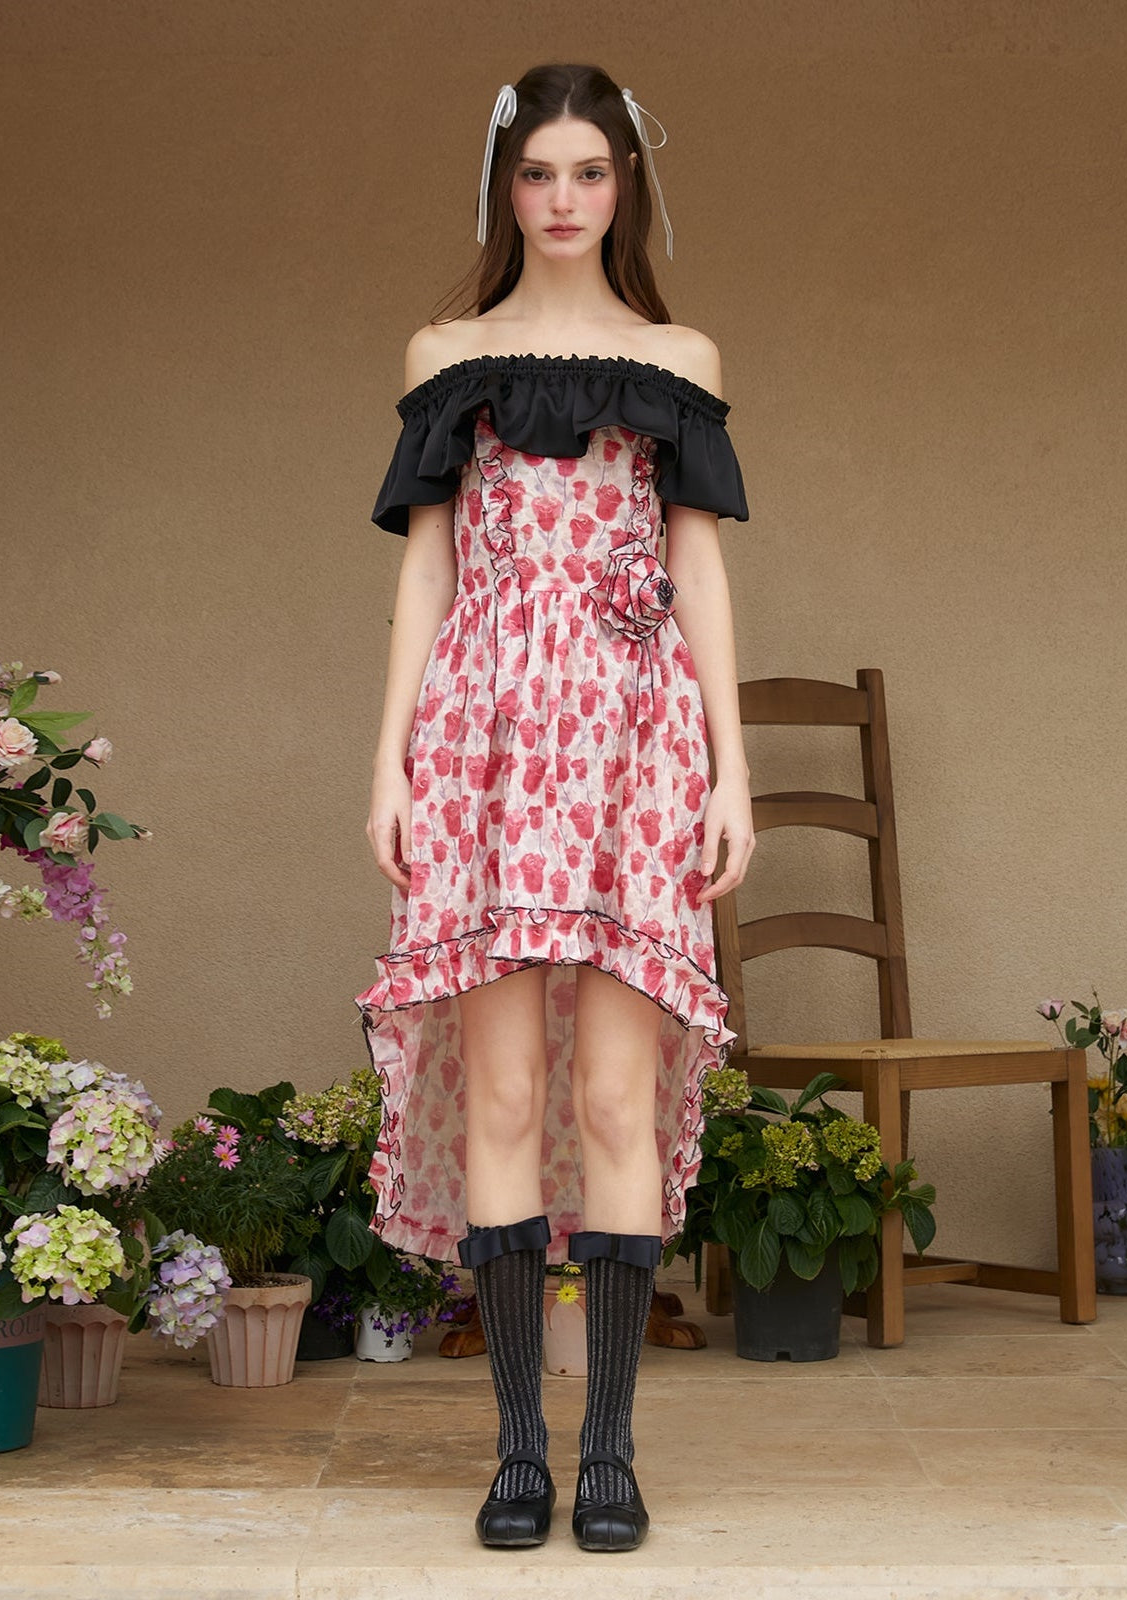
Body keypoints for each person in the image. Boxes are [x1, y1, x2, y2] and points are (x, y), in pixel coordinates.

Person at [356, 62, 754, 1553]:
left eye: (591, 171)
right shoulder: (447, 353)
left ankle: (613, 1454)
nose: (565, 199)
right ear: (504, 186)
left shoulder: (678, 357)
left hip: (637, 739)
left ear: (625, 183)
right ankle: (519, 1446)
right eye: (540, 173)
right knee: (508, 1095)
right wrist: (388, 760)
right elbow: (425, 565)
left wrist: (731, 769)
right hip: (482, 738)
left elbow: (699, 564)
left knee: (616, 1098)